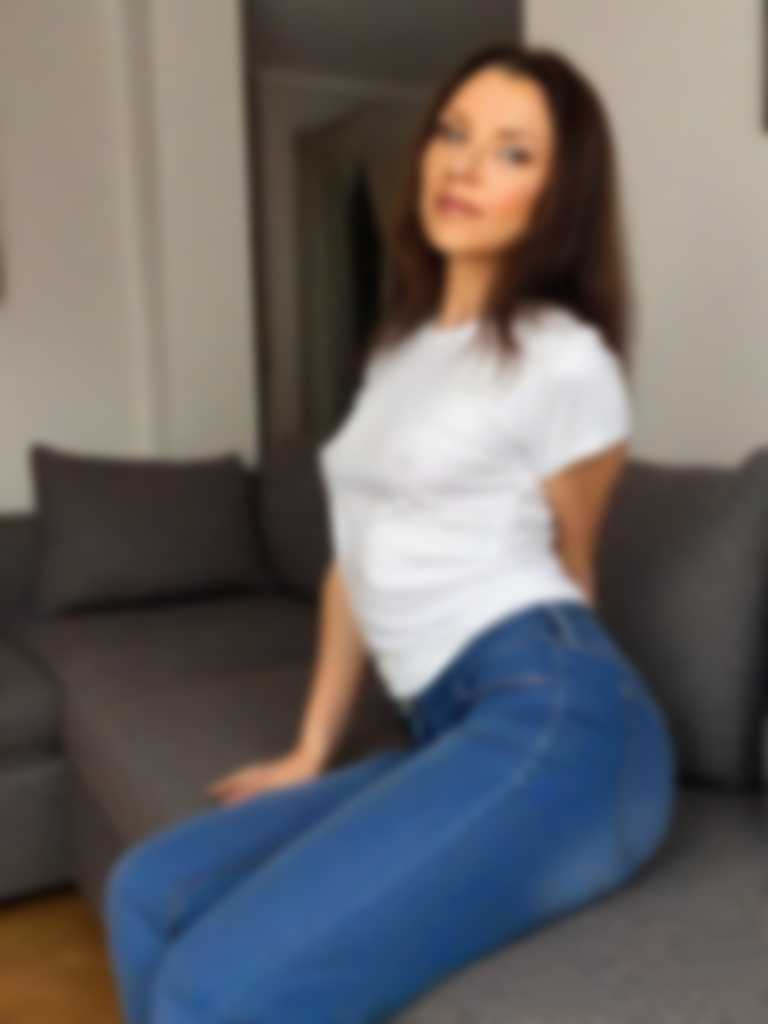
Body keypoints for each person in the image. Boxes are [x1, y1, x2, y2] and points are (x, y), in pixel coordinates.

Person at [104, 42, 678, 1023]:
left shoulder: (566, 359)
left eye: (512, 151)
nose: (465, 165)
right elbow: (353, 565)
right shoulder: (400, 355)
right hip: (448, 723)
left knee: (211, 989)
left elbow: (574, 564)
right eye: (454, 133)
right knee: (147, 892)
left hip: (558, 712)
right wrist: (309, 749)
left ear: (559, 196)